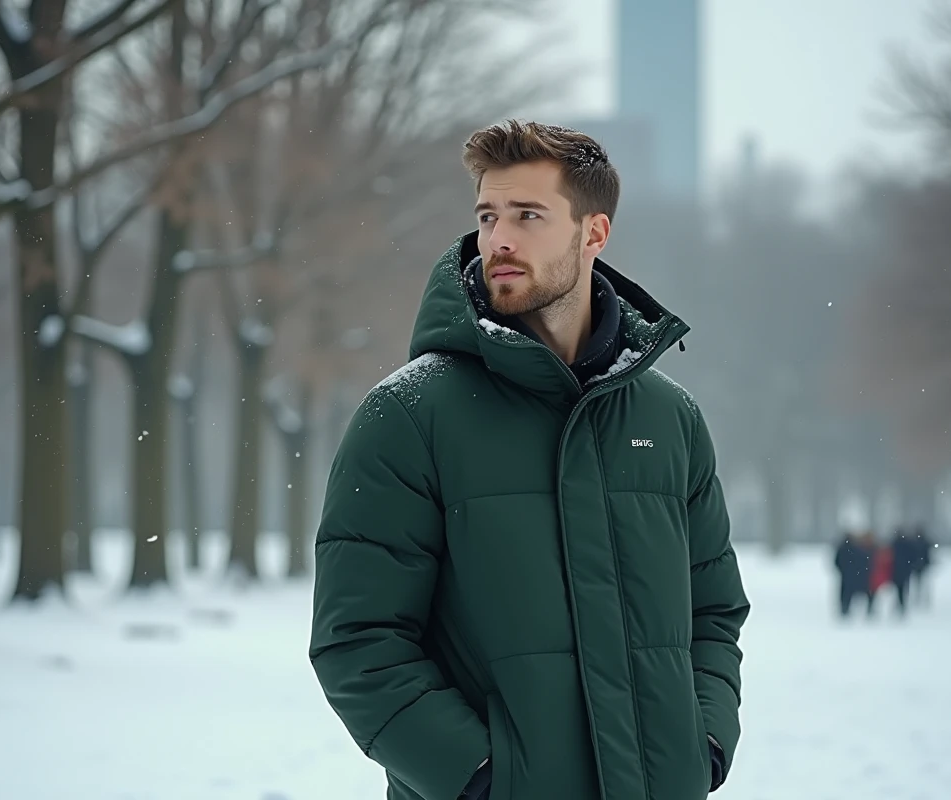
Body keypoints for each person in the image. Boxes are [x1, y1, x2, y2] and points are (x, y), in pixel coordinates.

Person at [308, 121, 750, 800]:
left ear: (593, 233)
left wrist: (705, 744)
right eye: (488, 216)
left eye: (528, 216)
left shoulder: (669, 420)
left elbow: (713, 613)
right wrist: (481, 778)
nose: (499, 240)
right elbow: (359, 641)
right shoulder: (409, 415)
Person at [833, 531, 869, 617]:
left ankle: (844, 608)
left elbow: (837, 561)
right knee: (849, 592)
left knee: (845, 593)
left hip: (846, 574)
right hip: (851, 574)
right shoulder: (855, 548)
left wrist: (842, 569)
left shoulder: (843, 548)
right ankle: (846, 608)